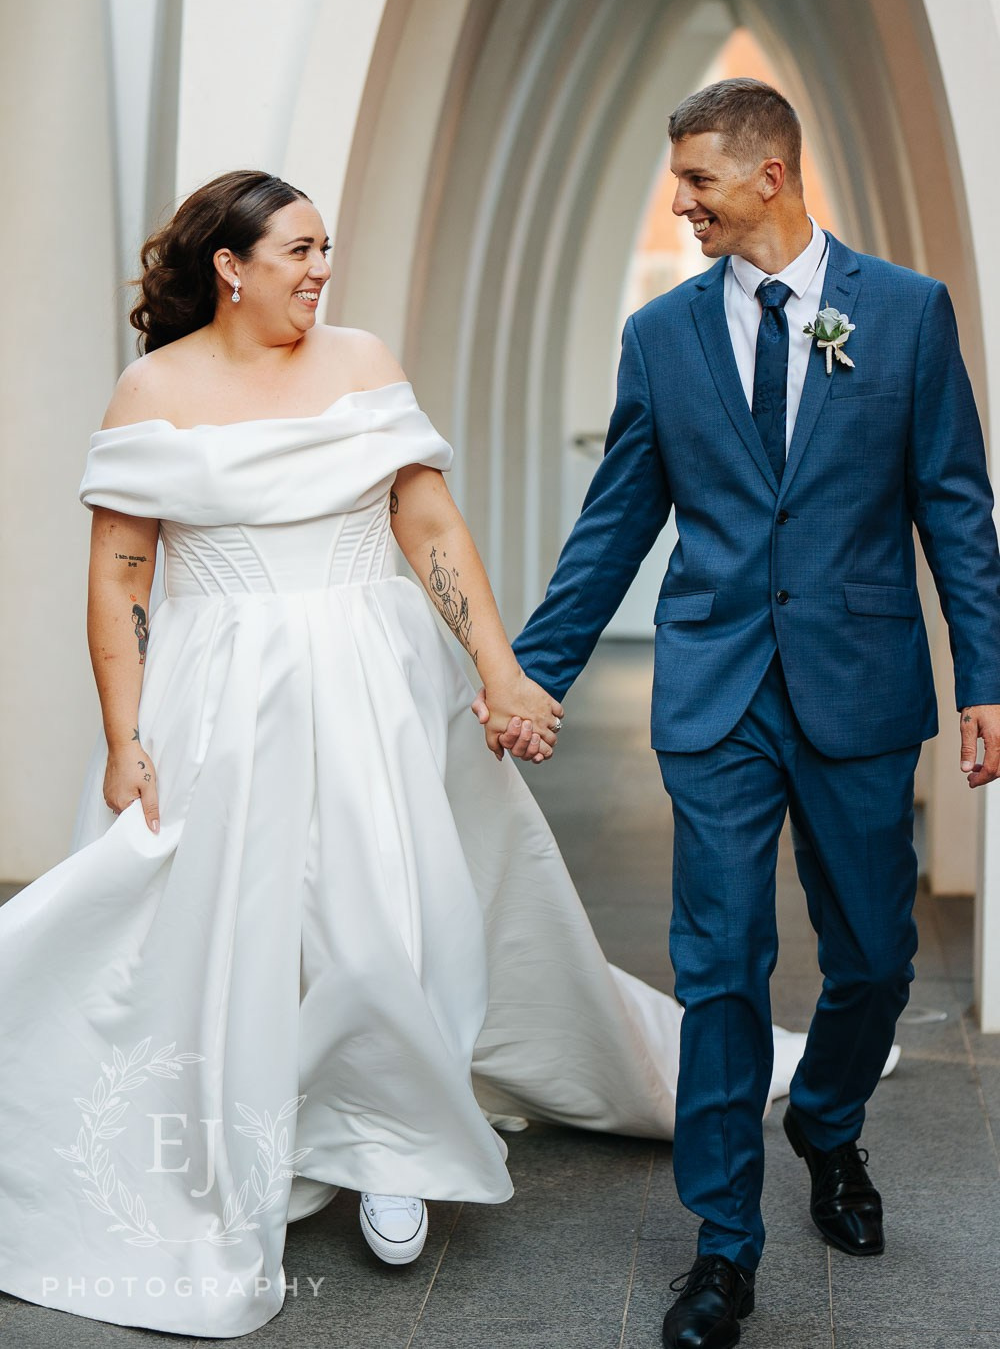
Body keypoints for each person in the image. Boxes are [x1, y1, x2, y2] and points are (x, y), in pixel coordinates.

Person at [0, 169, 822, 1340]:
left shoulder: (362, 361)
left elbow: (426, 520)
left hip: (373, 677)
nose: (320, 269)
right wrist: (125, 736)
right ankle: (258, 1126)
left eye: (324, 246)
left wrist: (499, 668)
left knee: (387, 911)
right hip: (219, 687)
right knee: (230, 922)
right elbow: (122, 569)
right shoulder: (153, 389)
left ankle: (393, 1148)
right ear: (230, 267)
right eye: (297, 250)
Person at [478, 79, 1000, 1349]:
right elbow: (616, 521)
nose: (682, 203)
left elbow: (955, 510)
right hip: (714, 690)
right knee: (718, 965)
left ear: (770, 174)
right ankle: (723, 1245)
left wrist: (983, 677)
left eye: (698, 180)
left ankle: (825, 1121)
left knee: (874, 955)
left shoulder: (906, 314)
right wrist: (536, 671)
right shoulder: (661, 336)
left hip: (860, 686)